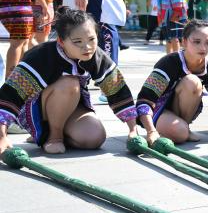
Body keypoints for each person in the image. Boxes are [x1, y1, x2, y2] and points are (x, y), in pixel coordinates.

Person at [0, 9, 156, 154]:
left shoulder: (96, 56)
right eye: (77, 41)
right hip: (37, 109)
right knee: (69, 83)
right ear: (61, 41)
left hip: (70, 105)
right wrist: (2, 136)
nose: (87, 47)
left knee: (94, 138)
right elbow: (10, 95)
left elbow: (117, 90)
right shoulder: (40, 56)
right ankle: (54, 136)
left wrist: (133, 131)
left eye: (91, 39)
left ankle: (43, 135)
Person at [136, 20, 208, 143]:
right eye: (197, 42)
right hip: (159, 110)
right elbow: (144, 100)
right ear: (184, 42)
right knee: (192, 81)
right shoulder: (169, 63)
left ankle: (184, 127)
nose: (203, 48)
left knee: (193, 84)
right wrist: (151, 131)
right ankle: (171, 129)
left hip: (182, 113)